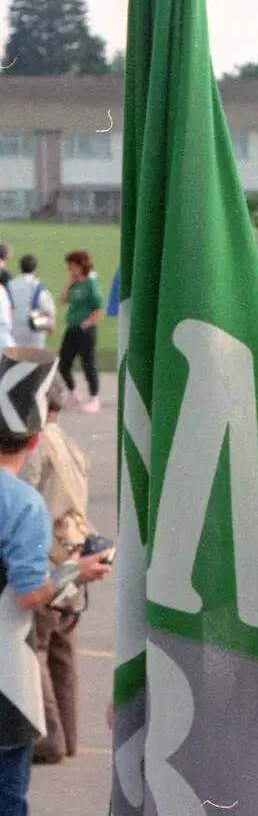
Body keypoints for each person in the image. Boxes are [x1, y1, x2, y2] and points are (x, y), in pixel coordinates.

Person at [0, 349, 111, 816]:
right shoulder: (20, 503)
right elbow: (28, 593)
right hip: (3, 668)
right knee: (8, 797)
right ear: (36, 433)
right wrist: (79, 572)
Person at [22, 378, 102, 763]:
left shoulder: (36, 448)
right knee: (63, 651)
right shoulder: (70, 445)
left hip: (49, 563)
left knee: (36, 647)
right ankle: (68, 735)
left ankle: (49, 736)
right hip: (73, 559)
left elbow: (27, 502)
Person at [57, 249, 104, 413]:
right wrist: (69, 283)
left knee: (88, 363)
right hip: (72, 327)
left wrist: (88, 322)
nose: (71, 270)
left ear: (80, 265)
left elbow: (99, 308)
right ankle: (74, 393)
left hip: (86, 329)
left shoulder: (91, 282)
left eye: (72, 266)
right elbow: (63, 300)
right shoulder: (75, 282)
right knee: (63, 363)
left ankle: (94, 398)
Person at [7, 254, 56, 347]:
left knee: (14, 360)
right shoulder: (38, 286)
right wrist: (51, 325)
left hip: (14, 331)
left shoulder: (10, 286)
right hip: (34, 332)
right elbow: (48, 309)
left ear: (20, 267)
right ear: (35, 268)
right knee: (33, 360)